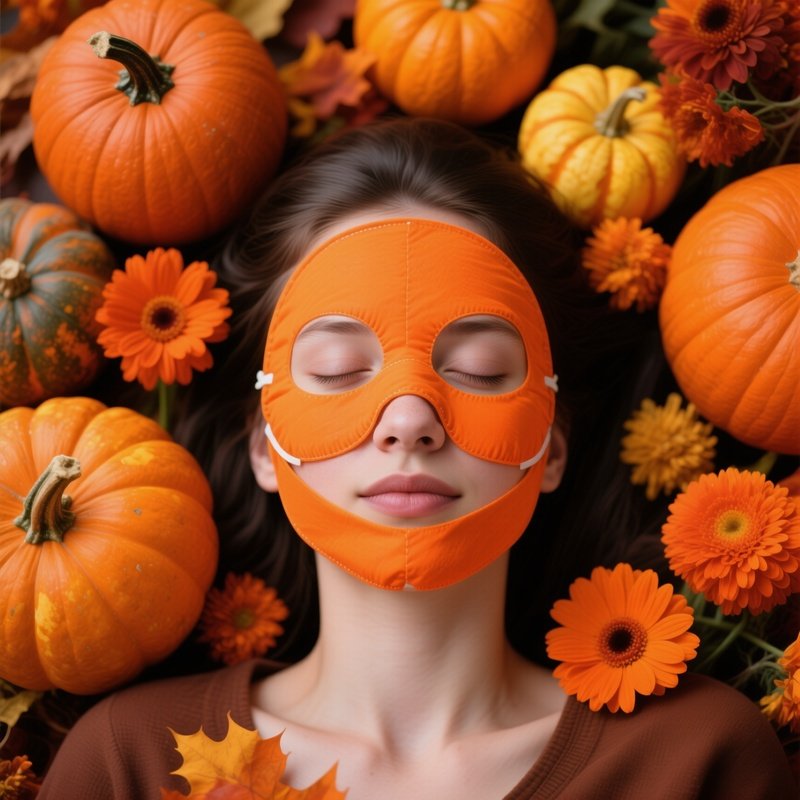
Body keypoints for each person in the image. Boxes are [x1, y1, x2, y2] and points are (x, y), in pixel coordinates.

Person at [38, 118, 795, 799]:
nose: (408, 421)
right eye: (337, 369)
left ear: (552, 444)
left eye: (479, 370)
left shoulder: (694, 762)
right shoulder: (129, 762)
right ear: (264, 445)